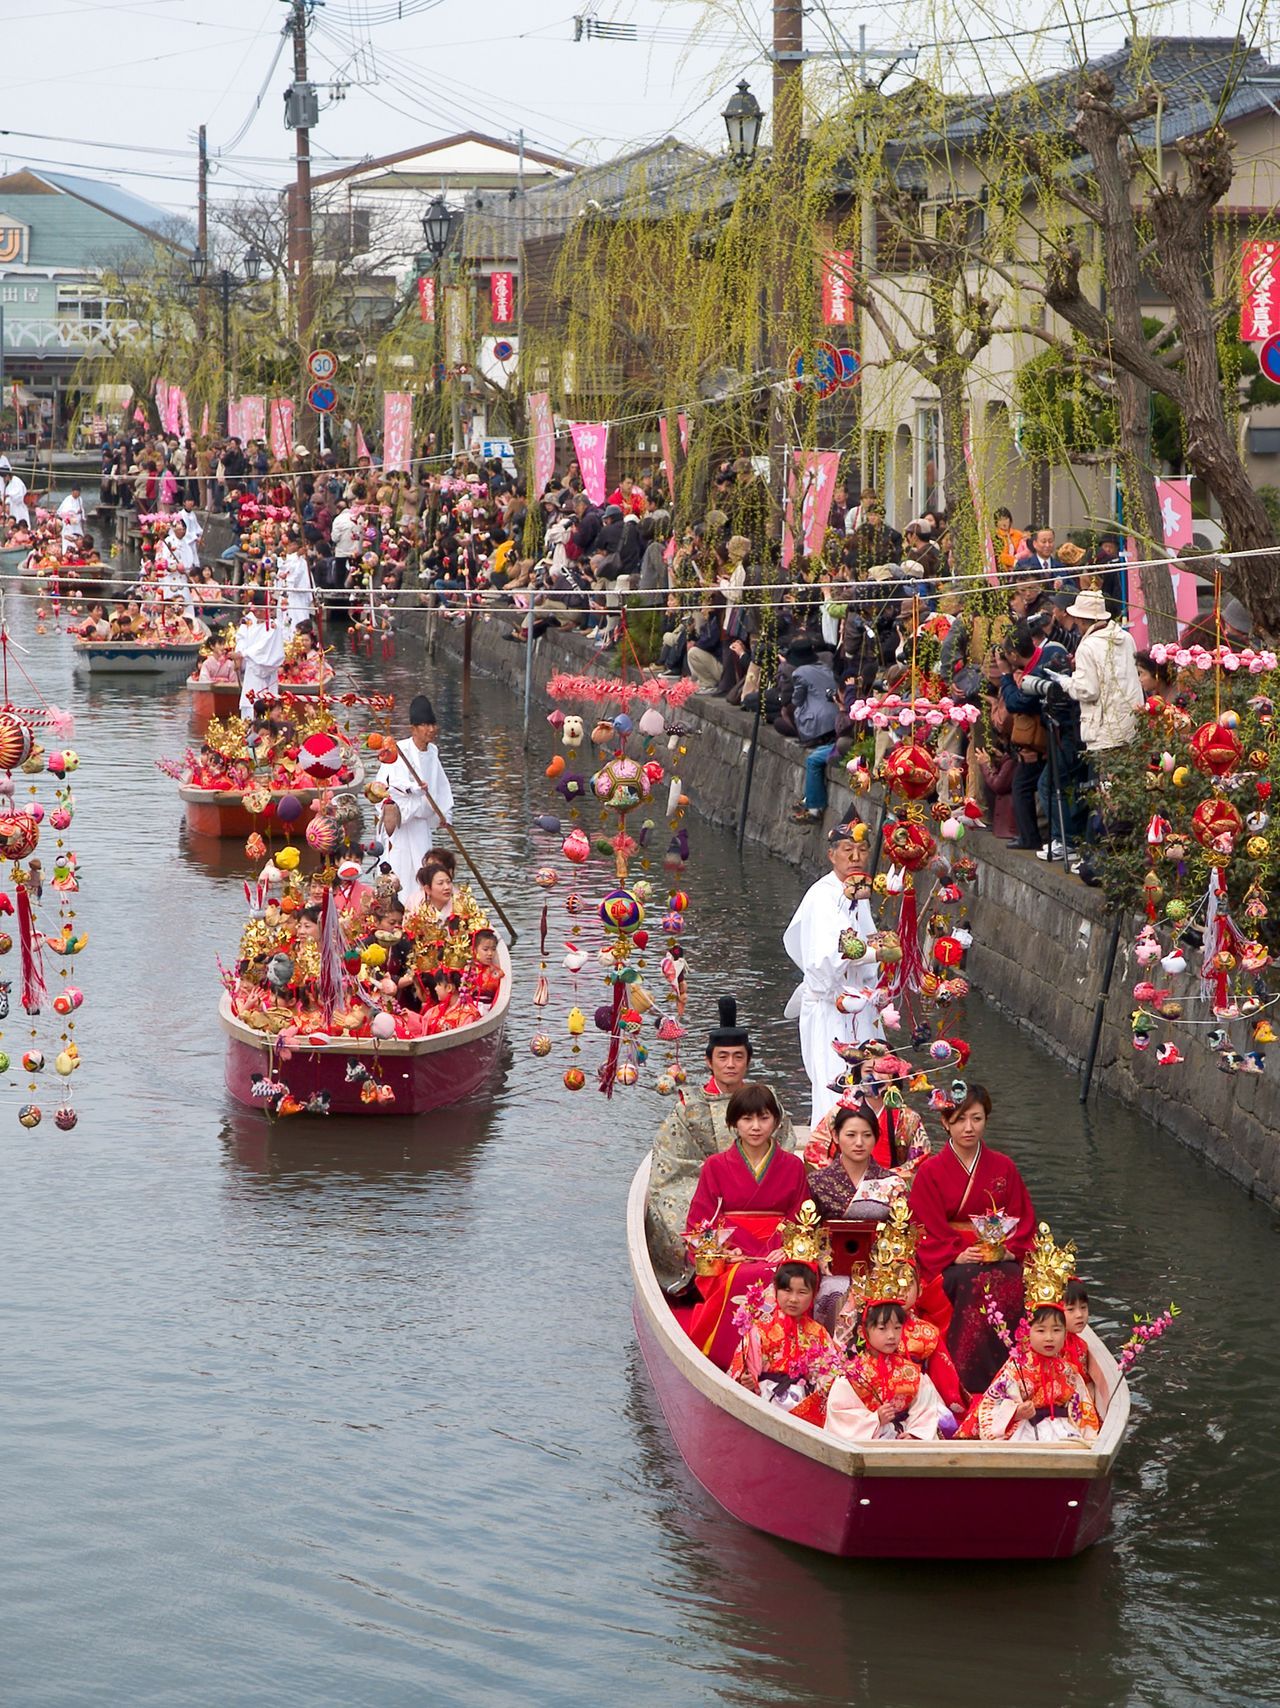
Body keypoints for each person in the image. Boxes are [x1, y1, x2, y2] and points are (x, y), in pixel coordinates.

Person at [645, 996, 798, 1294]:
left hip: (758, 1190)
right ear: (709, 1060)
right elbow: (671, 1160)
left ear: (748, 1060)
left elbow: (785, 1145)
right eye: (723, 1057)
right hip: (702, 1184)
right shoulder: (689, 1105)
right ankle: (690, 1280)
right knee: (669, 1210)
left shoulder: (766, 1099)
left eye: (738, 1057)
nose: (731, 1064)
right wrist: (718, 1177)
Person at [908, 1085, 1037, 1394]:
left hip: (998, 1254)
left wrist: (1008, 1250)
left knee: (1013, 1278)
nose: (969, 1127)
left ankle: (1012, 1374)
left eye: (977, 1119)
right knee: (972, 1281)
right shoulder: (930, 1171)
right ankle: (967, 1381)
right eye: (960, 1119)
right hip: (952, 1260)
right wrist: (955, 1254)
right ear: (945, 1122)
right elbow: (924, 1226)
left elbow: (1024, 1220)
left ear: (986, 1120)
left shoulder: (1003, 1166)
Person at [684, 1082, 811, 1368]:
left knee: (792, 1275)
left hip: (779, 1248)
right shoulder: (715, 1166)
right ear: (733, 1123)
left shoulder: (792, 1166)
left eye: (764, 1118)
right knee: (739, 1276)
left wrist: (788, 1247)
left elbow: (802, 1217)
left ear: (776, 1122)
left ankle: (787, 1355)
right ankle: (729, 1355)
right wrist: (725, 1251)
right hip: (733, 1252)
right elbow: (701, 1222)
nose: (756, 1127)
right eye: (747, 1119)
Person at [783, 822, 884, 1127]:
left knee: (872, 1078)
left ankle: (869, 1147)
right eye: (847, 850)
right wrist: (875, 953)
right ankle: (829, 1154)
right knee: (834, 1083)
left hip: (861, 1004)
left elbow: (866, 945)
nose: (855, 856)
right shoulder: (822, 897)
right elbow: (826, 958)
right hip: (831, 1005)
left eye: (862, 850)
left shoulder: (858, 892)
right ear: (831, 855)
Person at [961, 1234, 1101, 1441]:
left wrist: (1091, 1439)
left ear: (1065, 1332)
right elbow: (991, 1405)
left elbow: (1084, 1412)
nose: (1049, 1338)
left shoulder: (1068, 1371)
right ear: (1027, 1331)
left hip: (1063, 1431)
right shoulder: (1016, 1368)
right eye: (1041, 1330)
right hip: (1024, 1430)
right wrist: (1015, 1413)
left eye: (1056, 1330)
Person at [727, 1252, 840, 1425]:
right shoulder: (759, 1329)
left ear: (813, 1295)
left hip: (804, 1403)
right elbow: (744, 1372)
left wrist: (813, 1397)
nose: (793, 1299)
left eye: (802, 1292)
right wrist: (748, 1383)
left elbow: (828, 1377)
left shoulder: (818, 1333)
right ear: (776, 1290)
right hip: (764, 1399)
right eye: (787, 1290)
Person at [824, 1299, 945, 1442]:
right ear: (862, 1332)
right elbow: (840, 1417)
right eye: (882, 1328)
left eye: (897, 1327)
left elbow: (926, 1411)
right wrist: (875, 1420)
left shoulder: (912, 1373)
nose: (891, 1335)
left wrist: (915, 1434)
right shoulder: (851, 1375)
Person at [376, 695, 454, 909]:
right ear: (414, 728)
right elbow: (383, 787)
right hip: (400, 827)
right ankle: (396, 912)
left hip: (420, 826)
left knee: (423, 870)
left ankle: (422, 913)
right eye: (425, 725)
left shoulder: (433, 752)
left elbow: (441, 786)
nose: (430, 729)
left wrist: (445, 815)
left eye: (432, 724)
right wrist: (413, 790)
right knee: (399, 870)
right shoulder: (398, 751)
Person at [1060, 588, 1145, 757]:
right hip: (1132, 725)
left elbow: (1088, 691)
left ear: (1082, 620)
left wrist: (1065, 682)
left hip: (1104, 731)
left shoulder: (1087, 647)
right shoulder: (1126, 638)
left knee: (1109, 780)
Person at [807, 1099, 900, 1222]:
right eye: (851, 1135)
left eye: (867, 1135)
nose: (859, 1143)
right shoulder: (816, 1182)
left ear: (876, 1136)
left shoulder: (893, 1184)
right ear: (835, 1135)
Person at [233, 598, 285, 718]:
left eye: (259, 611)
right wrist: (238, 656)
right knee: (249, 704)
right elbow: (242, 638)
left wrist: (243, 654)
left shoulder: (273, 626)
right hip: (251, 671)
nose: (256, 614)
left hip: (265, 669)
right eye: (255, 611)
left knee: (268, 705)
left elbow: (263, 648)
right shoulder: (250, 622)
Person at [57, 484, 87, 551]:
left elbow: (82, 509)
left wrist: (82, 516)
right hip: (69, 523)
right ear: (73, 492)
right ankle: (66, 551)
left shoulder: (80, 499)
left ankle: (78, 550)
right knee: (68, 539)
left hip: (77, 524)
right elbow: (65, 511)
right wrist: (76, 511)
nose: (78, 494)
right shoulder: (68, 499)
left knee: (79, 537)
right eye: (76, 492)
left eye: (79, 493)